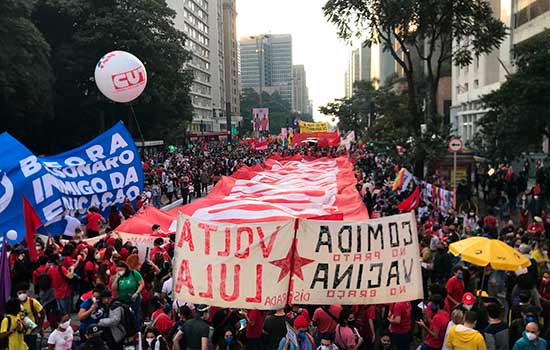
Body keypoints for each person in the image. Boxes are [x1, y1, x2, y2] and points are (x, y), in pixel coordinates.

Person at [111, 260, 144, 328]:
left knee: (135, 316)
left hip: (134, 299)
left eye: (121, 269)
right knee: (124, 317)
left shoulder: (134, 273)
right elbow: (113, 288)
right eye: (118, 270)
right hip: (122, 300)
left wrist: (136, 293)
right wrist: (117, 278)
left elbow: (141, 283)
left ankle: (137, 330)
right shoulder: (117, 276)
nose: (120, 271)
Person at [15, 282, 45, 350]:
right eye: (20, 293)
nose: (22, 294)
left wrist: (39, 327)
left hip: (31, 332)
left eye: (24, 292)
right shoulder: (14, 303)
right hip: (19, 332)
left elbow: (42, 313)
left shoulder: (32, 302)